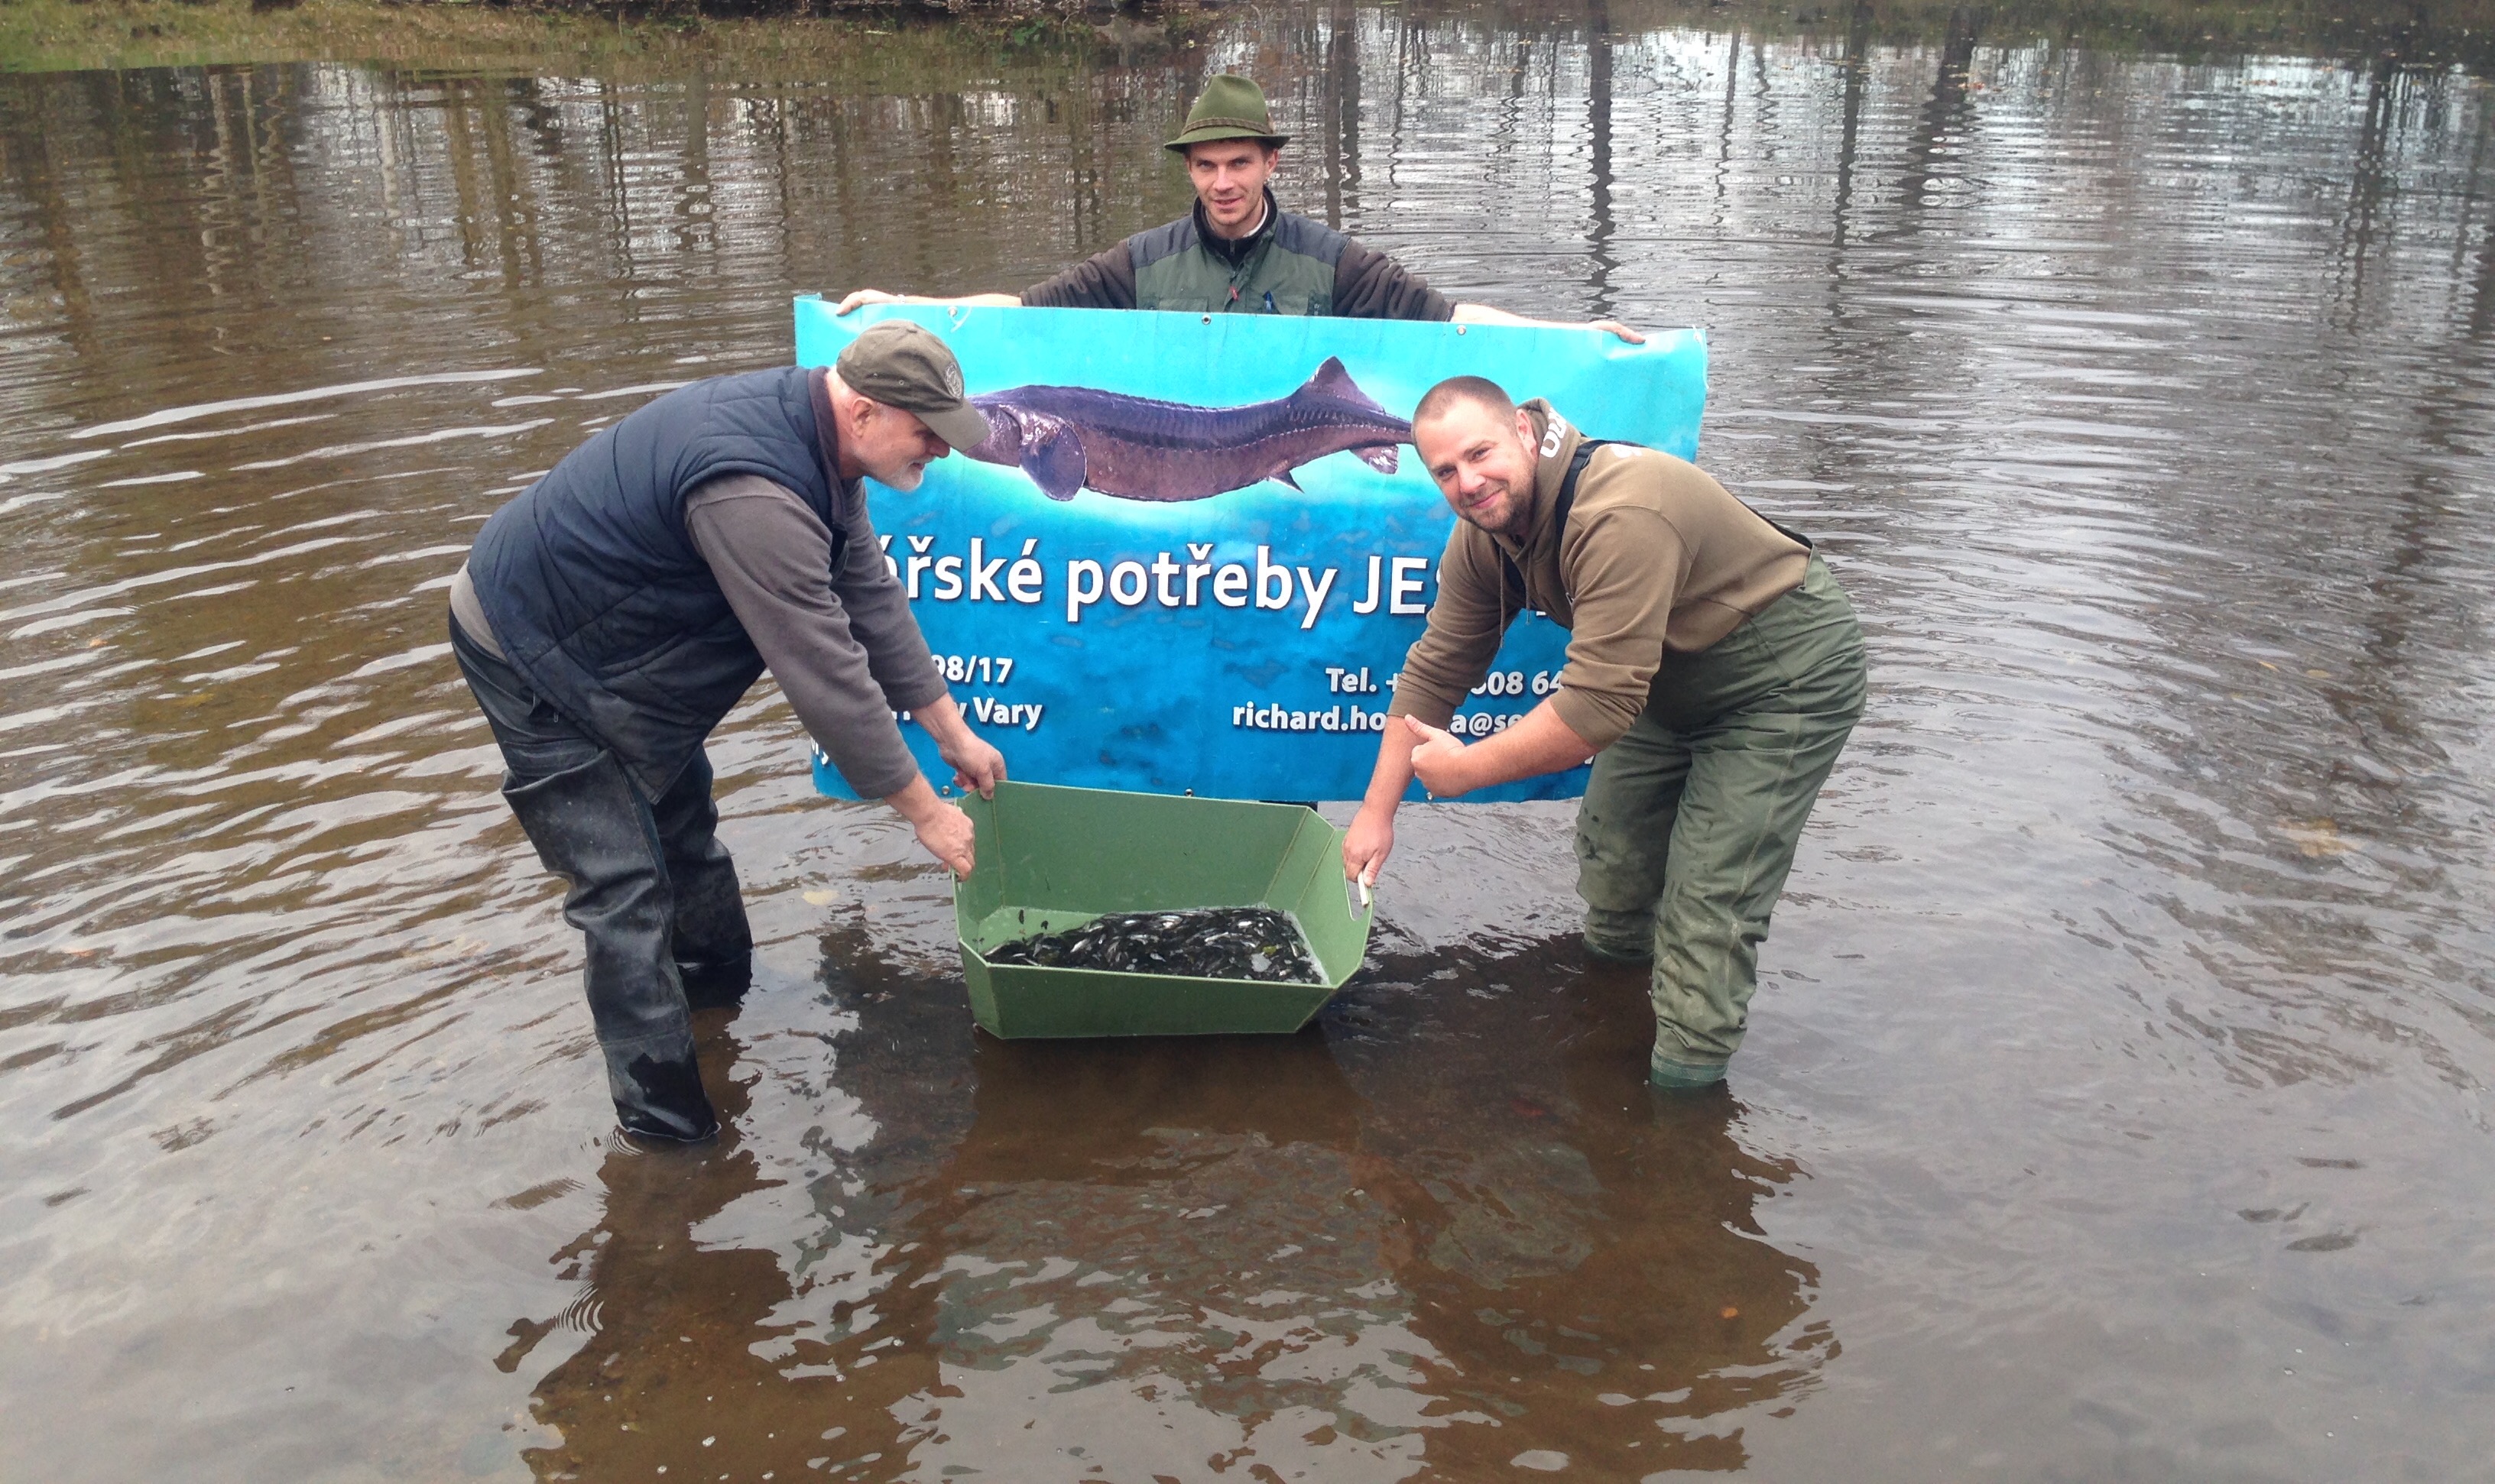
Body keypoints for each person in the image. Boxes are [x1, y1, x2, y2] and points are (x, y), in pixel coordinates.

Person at [448, 321, 1007, 1143]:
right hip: (530, 650)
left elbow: (872, 601)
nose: (942, 452)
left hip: (620, 652)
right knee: (624, 894)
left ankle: (718, 1011)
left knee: (686, 836)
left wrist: (952, 732)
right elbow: (826, 675)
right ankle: (670, 1142)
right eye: (928, 433)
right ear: (863, 413)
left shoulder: (824, 451)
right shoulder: (756, 492)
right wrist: (925, 812)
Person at [1340, 377, 1867, 1091]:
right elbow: (1435, 671)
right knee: (1615, 858)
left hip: (1779, 683)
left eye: (1480, 453)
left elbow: (1592, 713)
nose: (1468, 482)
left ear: (1524, 432)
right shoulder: (1486, 533)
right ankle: (1610, 1031)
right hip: (1658, 681)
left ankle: (1681, 1110)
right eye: (1445, 471)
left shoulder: (1621, 509)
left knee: (1709, 903)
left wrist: (1467, 772)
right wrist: (1377, 814)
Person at [834, 74, 1640, 340]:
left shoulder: (1333, 261)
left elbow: (1451, 317)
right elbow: (1022, 311)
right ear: (1189, 169)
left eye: (1240, 164)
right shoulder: (1140, 262)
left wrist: (1575, 332)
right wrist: (904, 309)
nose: (1223, 183)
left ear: (1270, 163)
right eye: (1207, 166)